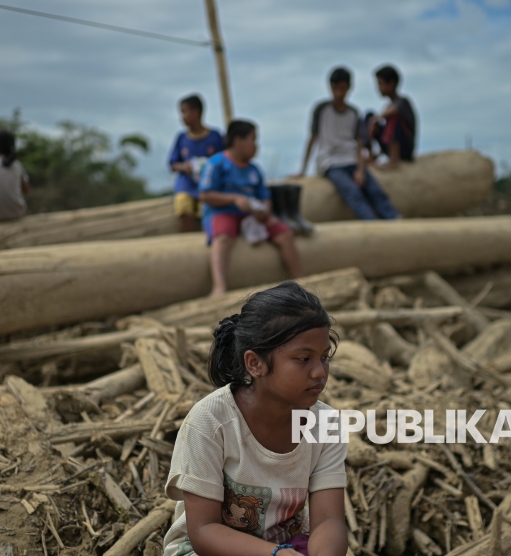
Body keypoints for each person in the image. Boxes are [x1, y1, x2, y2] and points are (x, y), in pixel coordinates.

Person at [162, 281, 348, 556]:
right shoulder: (211, 422)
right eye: (303, 359)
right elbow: (204, 530)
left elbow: (329, 521)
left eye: (324, 357)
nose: (319, 372)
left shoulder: (325, 424)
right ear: (255, 364)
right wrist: (274, 554)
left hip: (288, 546)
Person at [200, 119, 303, 297]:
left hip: (252, 214)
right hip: (223, 212)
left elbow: (265, 198)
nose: (256, 146)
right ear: (238, 140)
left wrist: (264, 211)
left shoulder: (254, 170)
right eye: (253, 140)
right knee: (223, 238)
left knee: (285, 234)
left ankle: (301, 281)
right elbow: (205, 195)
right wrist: (234, 199)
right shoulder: (216, 163)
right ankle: (219, 286)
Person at [297, 67, 401, 221]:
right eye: (335, 89)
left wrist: (361, 169)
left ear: (349, 88)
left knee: (375, 191)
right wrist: (302, 170)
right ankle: (372, 224)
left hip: (351, 161)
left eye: (342, 88)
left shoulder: (353, 113)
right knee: (352, 192)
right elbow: (312, 139)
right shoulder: (321, 109)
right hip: (330, 163)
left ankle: (394, 218)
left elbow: (359, 144)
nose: (339, 93)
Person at [169, 94, 225, 232]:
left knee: (207, 208)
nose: (182, 117)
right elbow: (172, 163)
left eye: (184, 112)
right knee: (183, 204)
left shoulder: (215, 136)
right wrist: (185, 167)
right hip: (187, 185)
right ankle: (187, 240)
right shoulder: (182, 138)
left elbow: (225, 160)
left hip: (209, 186)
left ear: (196, 112)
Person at [364, 65, 417, 168]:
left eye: (380, 84)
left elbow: (394, 110)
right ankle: (370, 155)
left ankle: (394, 160)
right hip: (389, 147)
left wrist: (375, 120)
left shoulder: (403, 102)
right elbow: (387, 134)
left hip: (405, 150)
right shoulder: (388, 106)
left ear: (391, 84)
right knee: (369, 116)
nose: (378, 88)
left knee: (395, 118)